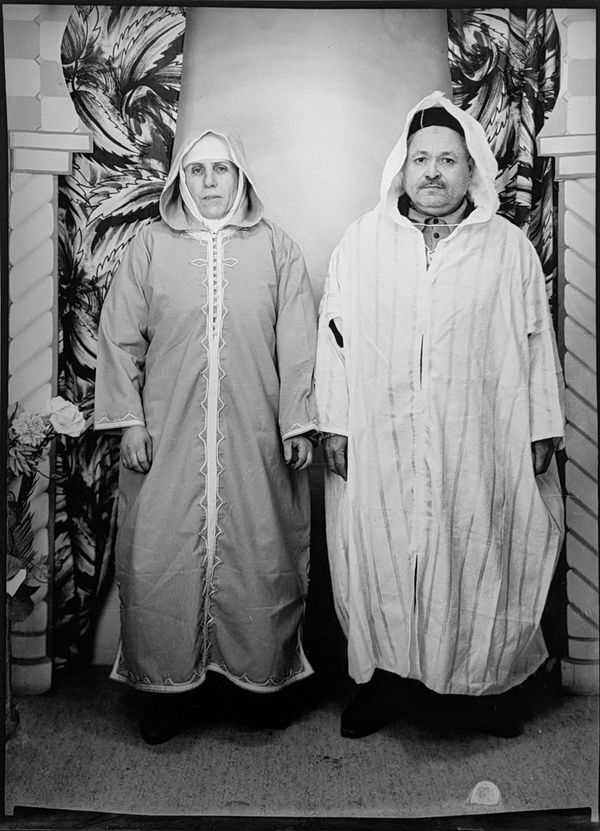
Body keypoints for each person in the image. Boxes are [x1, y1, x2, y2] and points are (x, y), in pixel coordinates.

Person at [314, 91, 565, 740]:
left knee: (475, 550)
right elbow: (333, 340)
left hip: (477, 439)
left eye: (447, 160)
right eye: (421, 158)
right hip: (383, 439)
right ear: (401, 166)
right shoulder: (361, 244)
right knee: (384, 552)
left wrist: (542, 425)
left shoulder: (507, 249)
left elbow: (536, 341)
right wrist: (334, 422)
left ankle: (481, 689)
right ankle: (386, 683)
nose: (432, 172)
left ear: (471, 169)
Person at [94, 129, 318, 744]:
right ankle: (166, 693)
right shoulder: (149, 245)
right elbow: (119, 337)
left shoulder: (276, 248)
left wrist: (297, 422)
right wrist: (130, 422)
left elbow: (298, 341)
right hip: (166, 436)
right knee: (162, 553)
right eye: (197, 171)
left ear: (240, 176)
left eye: (222, 169)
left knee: (259, 552)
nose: (211, 181)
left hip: (255, 438)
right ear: (179, 180)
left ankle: (254, 684)